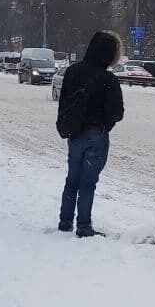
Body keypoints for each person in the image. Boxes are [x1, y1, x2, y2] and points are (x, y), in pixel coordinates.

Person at [57, 30, 124, 238]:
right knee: (88, 183)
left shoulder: (72, 72)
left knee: (72, 179)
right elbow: (117, 113)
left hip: (75, 134)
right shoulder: (108, 79)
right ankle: (84, 226)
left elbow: (64, 103)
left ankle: (65, 221)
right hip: (97, 134)